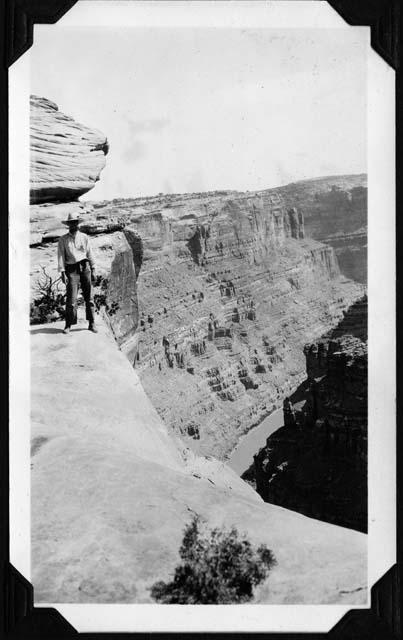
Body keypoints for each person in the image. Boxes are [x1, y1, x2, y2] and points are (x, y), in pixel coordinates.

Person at [57, 212, 97, 334]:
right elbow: (61, 256)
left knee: (89, 297)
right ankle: (68, 324)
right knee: (71, 299)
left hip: (84, 267)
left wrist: (94, 268)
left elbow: (90, 253)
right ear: (68, 224)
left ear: (77, 224)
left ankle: (91, 323)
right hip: (71, 269)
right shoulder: (63, 239)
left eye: (75, 222)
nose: (73, 225)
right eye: (71, 223)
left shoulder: (84, 237)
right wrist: (62, 272)